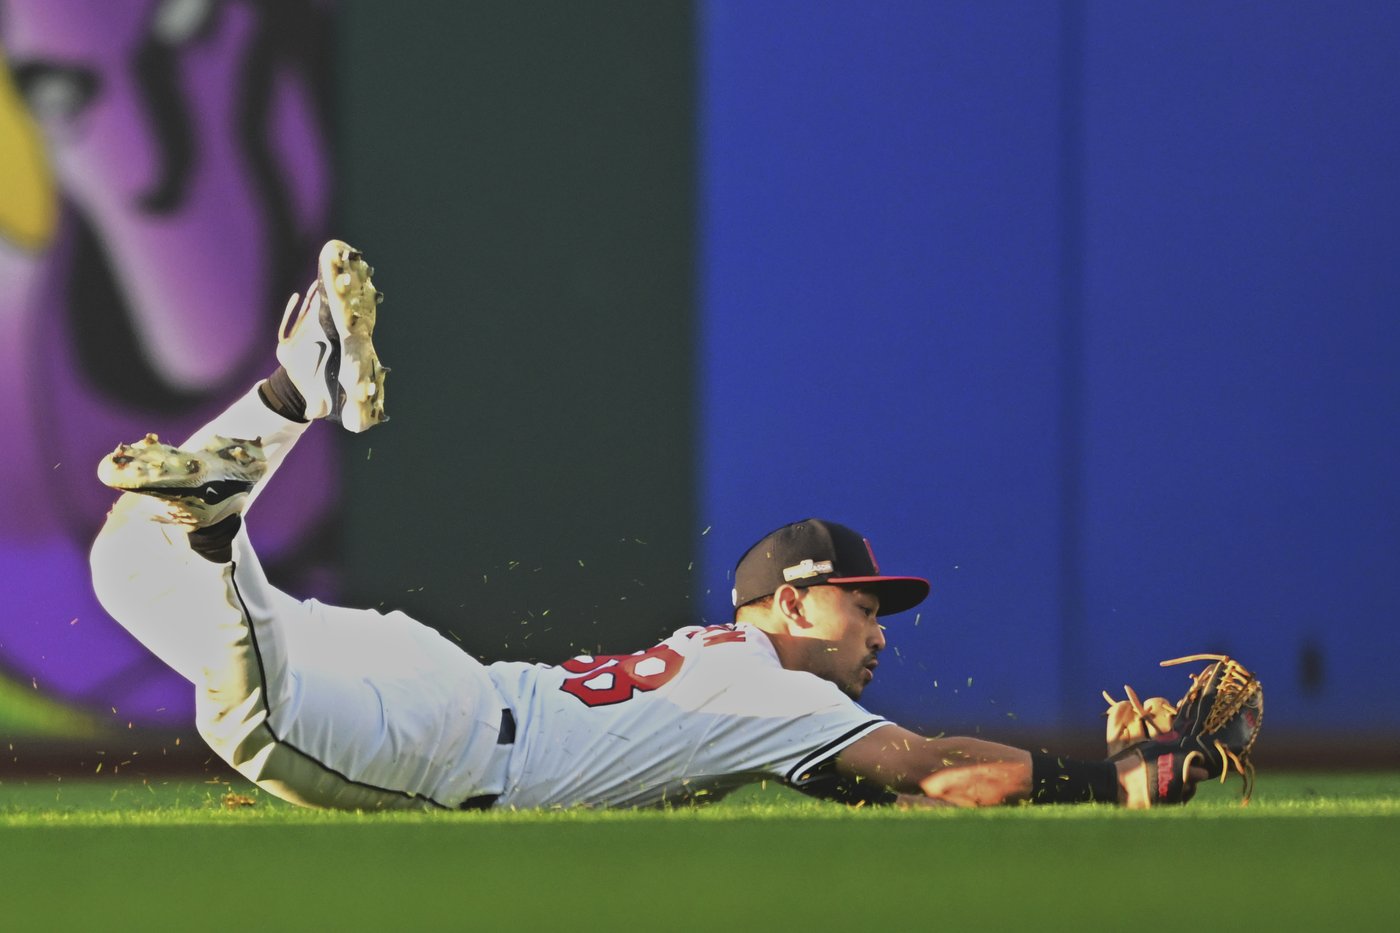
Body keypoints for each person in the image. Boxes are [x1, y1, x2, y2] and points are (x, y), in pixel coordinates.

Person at [91, 240, 1198, 811]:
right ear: (790, 600)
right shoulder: (773, 693)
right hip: (441, 731)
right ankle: (218, 529)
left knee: (122, 564)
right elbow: (929, 770)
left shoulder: (723, 666)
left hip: (443, 682)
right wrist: (1112, 780)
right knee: (246, 710)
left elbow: (910, 784)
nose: (878, 631)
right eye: (863, 605)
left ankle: (289, 395)